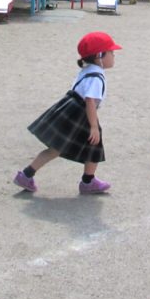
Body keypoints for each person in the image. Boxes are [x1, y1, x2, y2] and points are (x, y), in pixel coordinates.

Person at [14, 31, 122, 195]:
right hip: (81, 114)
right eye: (111, 52)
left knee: (56, 148)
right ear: (99, 55)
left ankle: (27, 174)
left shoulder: (88, 69)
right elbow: (90, 101)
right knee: (94, 146)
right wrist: (93, 126)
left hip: (71, 109)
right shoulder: (96, 76)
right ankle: (88, 182)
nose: (114, 55)